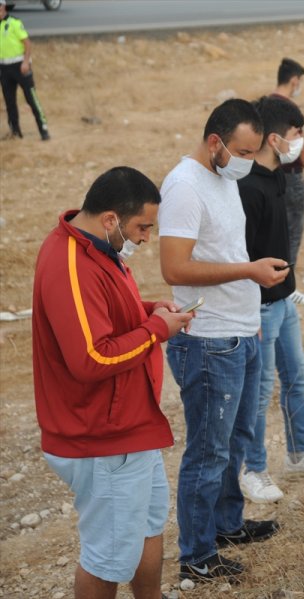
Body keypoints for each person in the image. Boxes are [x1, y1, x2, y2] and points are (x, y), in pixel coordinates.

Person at [32, 167, 194, 598]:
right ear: (110, 219)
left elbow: (104, 312)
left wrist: (148, 309)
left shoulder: (96, 248)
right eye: (141, 227)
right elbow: (91, 357)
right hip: (101, 436)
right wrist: (157, 330)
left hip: (128, 425)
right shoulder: (71, 264)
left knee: (146, 524)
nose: (145, 238)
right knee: (107, 559)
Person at [158, 99, 288, 582]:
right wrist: (248, 273)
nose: (248, 161)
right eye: (242, 151)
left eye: (254, 152)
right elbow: (175, 267)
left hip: (240, 328)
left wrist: (249, 308)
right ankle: (196, 553)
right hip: (208, 340)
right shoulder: (185, 186)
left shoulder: (224, 177)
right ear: (216, 143)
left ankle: (227, 525)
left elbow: (226, 246)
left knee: (238, 439)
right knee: (208, 451)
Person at [237, 95, 304, 505]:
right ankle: (253, 468)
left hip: (284, 300)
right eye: (297, 134)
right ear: (274, 138)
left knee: (296, 378)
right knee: (261, 389)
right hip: (261, 304)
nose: (301, 142)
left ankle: (300, 454)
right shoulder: (247, 186)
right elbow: (244, 255)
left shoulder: (280, 174)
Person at [271, 57, 304, 305]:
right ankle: (289, 286)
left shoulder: (268, 104)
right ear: (294, 80)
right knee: (293, 232)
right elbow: (302, 147)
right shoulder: (288, 108)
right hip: (291, 177)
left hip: (274, 176)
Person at [0, 0, 49, 140]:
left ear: (3, 7)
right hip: (4, 68)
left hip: (20, 66)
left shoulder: (15, 23)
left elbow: (27, 43)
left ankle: (43, 129)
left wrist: (26, 62)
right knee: (9, 102)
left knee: (31, 99)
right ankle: (15, 132)